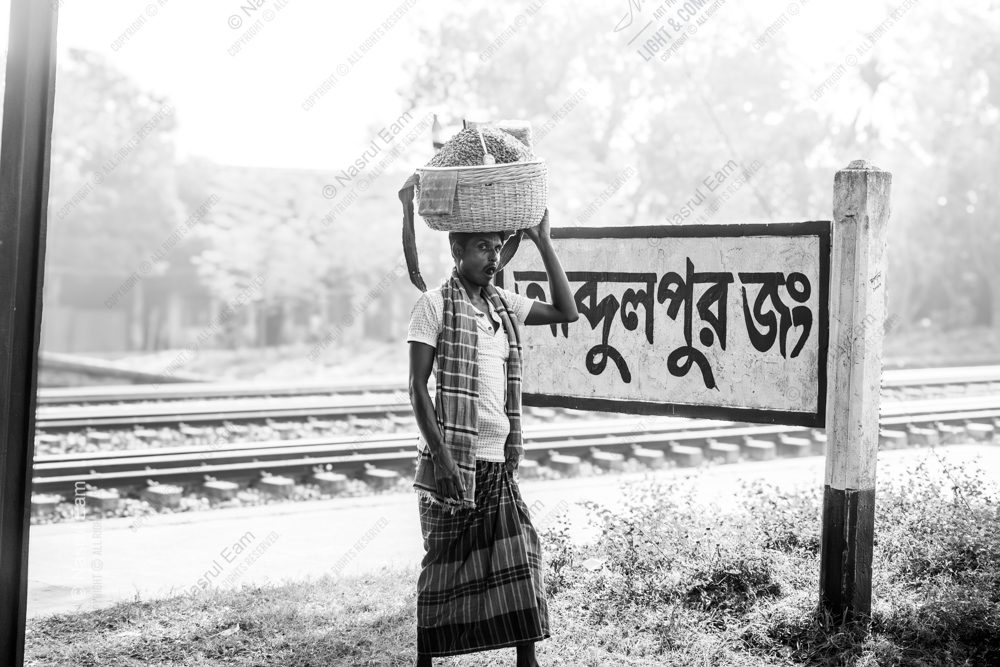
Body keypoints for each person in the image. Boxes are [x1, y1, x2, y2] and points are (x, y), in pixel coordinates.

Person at [406, 209, 578, 666]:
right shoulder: (434, 305)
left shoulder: (502, 305)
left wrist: (543, 242)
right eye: (483, 247)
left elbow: (568, 310)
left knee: (518, 555)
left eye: (498, 247)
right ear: (457, 251)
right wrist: (443, 461)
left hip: (496, 462)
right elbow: (415, 388)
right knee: (444, 566)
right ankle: (425, 660)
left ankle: (527, 661)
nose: (493, 256)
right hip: (454, 463)